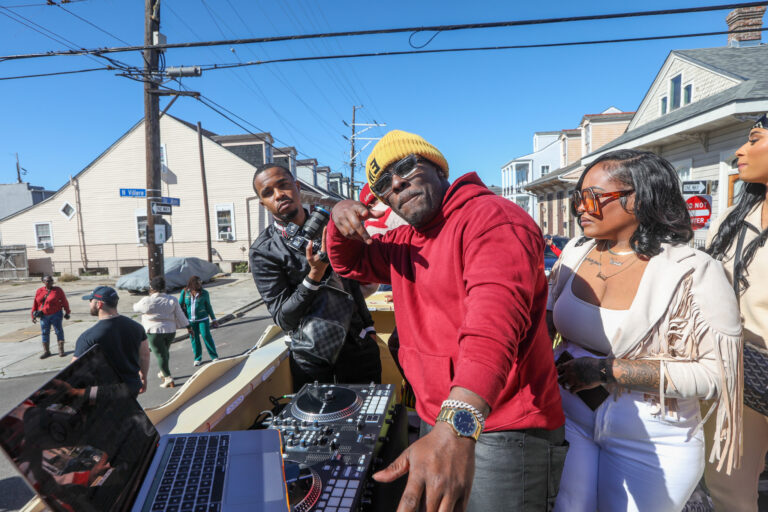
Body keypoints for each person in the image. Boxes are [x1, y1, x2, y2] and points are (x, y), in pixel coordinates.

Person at [327, 129, 566, 512]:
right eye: (384, 185)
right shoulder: (406, 241)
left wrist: (457, 425)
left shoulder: (493, 219)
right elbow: (348, 263)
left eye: (405, 166)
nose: (397, 182)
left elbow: (493, 326)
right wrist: (338, 218)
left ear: (438, 167)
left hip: (501, 430)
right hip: (439, 423)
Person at [547, 149, 742, 512]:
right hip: (571, 421)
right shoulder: (574, 253)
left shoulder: (694, 271)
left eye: (591, 198)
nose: (579, 208)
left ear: (636, 199)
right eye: (578, 198)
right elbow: (543, 325)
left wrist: (607, 371)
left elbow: (719, 374)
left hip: (653, 438)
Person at [250, 163, 381, 392]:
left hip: (359, 346)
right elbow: (283, 318)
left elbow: (349, 283)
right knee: (320, 424)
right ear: (263, 203)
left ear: (297, 187)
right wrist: (313, 277)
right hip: (312, 358)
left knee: (370, 420)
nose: (279, 195)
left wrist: (369, 328)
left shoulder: (332, 228)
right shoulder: (264, 250)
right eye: (268, 193)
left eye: (284, 186)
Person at [704, 114, 768, 512]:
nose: (739, 152)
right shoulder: (728, 223)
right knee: (727, 489)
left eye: (755, 139)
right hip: (740, 375)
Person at [72, 286, 150, 398]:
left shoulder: (88, 337)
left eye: (90, 301)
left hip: (106, 393)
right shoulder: (137, 327)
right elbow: (145, 355)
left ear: (99, 304)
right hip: (132, 386)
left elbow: (74, 370)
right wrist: (143, 377)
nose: (89, 304)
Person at [132, 276, 190, 388]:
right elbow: (180, 314)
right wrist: (188, 326)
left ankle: (168, 378)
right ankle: (163, 372)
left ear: (151, 288)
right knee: (164, 352)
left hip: (153, 331)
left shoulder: (147, 301)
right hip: (170, 330)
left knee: (160, 355)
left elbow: (135, 308)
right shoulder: (172, 299)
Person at [179, 275, 219, 367]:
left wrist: (214, 319)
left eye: (200, 283)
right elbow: (179, 306)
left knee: (206, 336)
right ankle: (197, 358)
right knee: (194, 339)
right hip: (190, 321)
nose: (199, 285)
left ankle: (214, 356)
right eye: (197, 283)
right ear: (192, 284)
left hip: (203, 319)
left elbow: (209, 306)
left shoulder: (205, 293)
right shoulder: (185, 292)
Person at [31, 275, 71, 359]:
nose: (50, 282)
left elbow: (64, 301)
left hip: (56, 314)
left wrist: (67, 312)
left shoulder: (58, 290)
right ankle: (46, 351)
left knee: (58, 331)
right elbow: (36, 303)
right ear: (43, 282)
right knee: (45, 332)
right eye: (48, 281)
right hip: (44, 315)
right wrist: (33, 315)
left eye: (51, 280)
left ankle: (61, 351)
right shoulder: (40, 291)